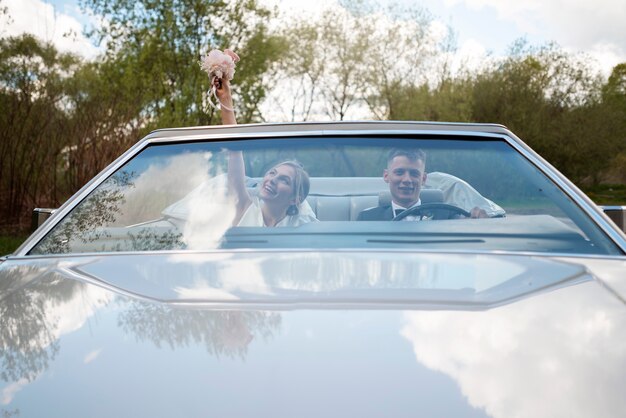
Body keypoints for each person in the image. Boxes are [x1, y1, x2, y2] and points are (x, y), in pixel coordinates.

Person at [215, 77, 317, 227]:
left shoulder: (302, 226)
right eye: (273, 173)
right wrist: (225, 98)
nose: (273, 180)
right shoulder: (244, 208)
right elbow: (235, 150)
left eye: (284, 180)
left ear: (295, 199)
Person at [357, 148, 488, 221]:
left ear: (424, 178)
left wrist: (477, 221)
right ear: (386, 176)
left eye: (414, 174)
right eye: (399, 172)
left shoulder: (447, 215)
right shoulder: (367, 218)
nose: (407, 179)